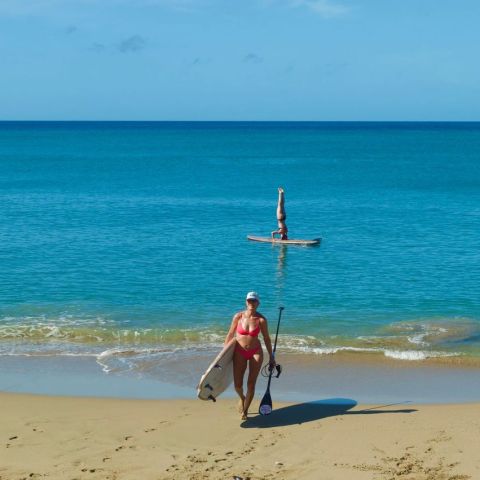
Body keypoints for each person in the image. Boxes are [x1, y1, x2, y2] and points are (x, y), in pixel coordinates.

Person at [224, 292, 275, 420]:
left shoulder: (261, 320)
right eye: (249, 301)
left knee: (251, 384)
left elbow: (267, 339)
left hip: (255, 352)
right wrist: (223, 354)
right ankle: (242, 398)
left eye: (254, 301)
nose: (252, 303)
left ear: (258, 303)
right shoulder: (238, 316)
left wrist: (272, 357)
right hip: (239, 352)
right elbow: (230, 334)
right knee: (238, 385)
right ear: (246, 302)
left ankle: (245, 411)